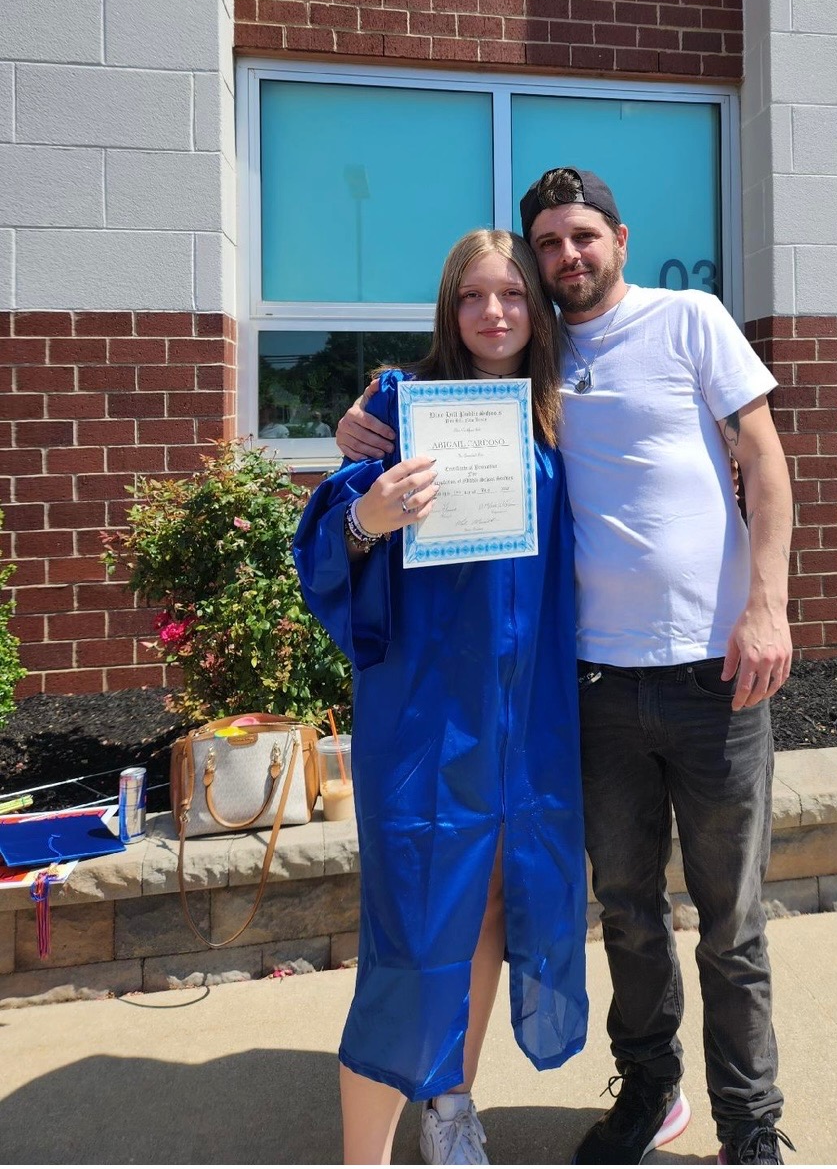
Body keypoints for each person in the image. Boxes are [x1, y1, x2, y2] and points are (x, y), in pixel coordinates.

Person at [336, 170, 796, 1166]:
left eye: (580, 236)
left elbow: (763, 460)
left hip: (713, 674)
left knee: (730, 921)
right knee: (625, 911)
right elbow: (390, 452)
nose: (564, 258)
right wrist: (362, 435)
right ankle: (651, 1090)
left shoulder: (687, 319)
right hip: (593, 685)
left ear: (619, 238)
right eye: (546, 244)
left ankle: (752, 1128)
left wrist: (767, 605)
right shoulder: (525, 379)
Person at [295, 228, 588, 1167]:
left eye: (512, 293)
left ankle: (451, 1102)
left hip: (527, 712)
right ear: (447, 308)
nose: (493, 312)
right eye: (472, 295)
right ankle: (365, 1157)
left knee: (495, 903)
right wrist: (366, 518)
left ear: (536, 308)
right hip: (429, 713)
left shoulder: (554, 414)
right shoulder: (401, 403)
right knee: (414, 929)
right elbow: (328, 545)